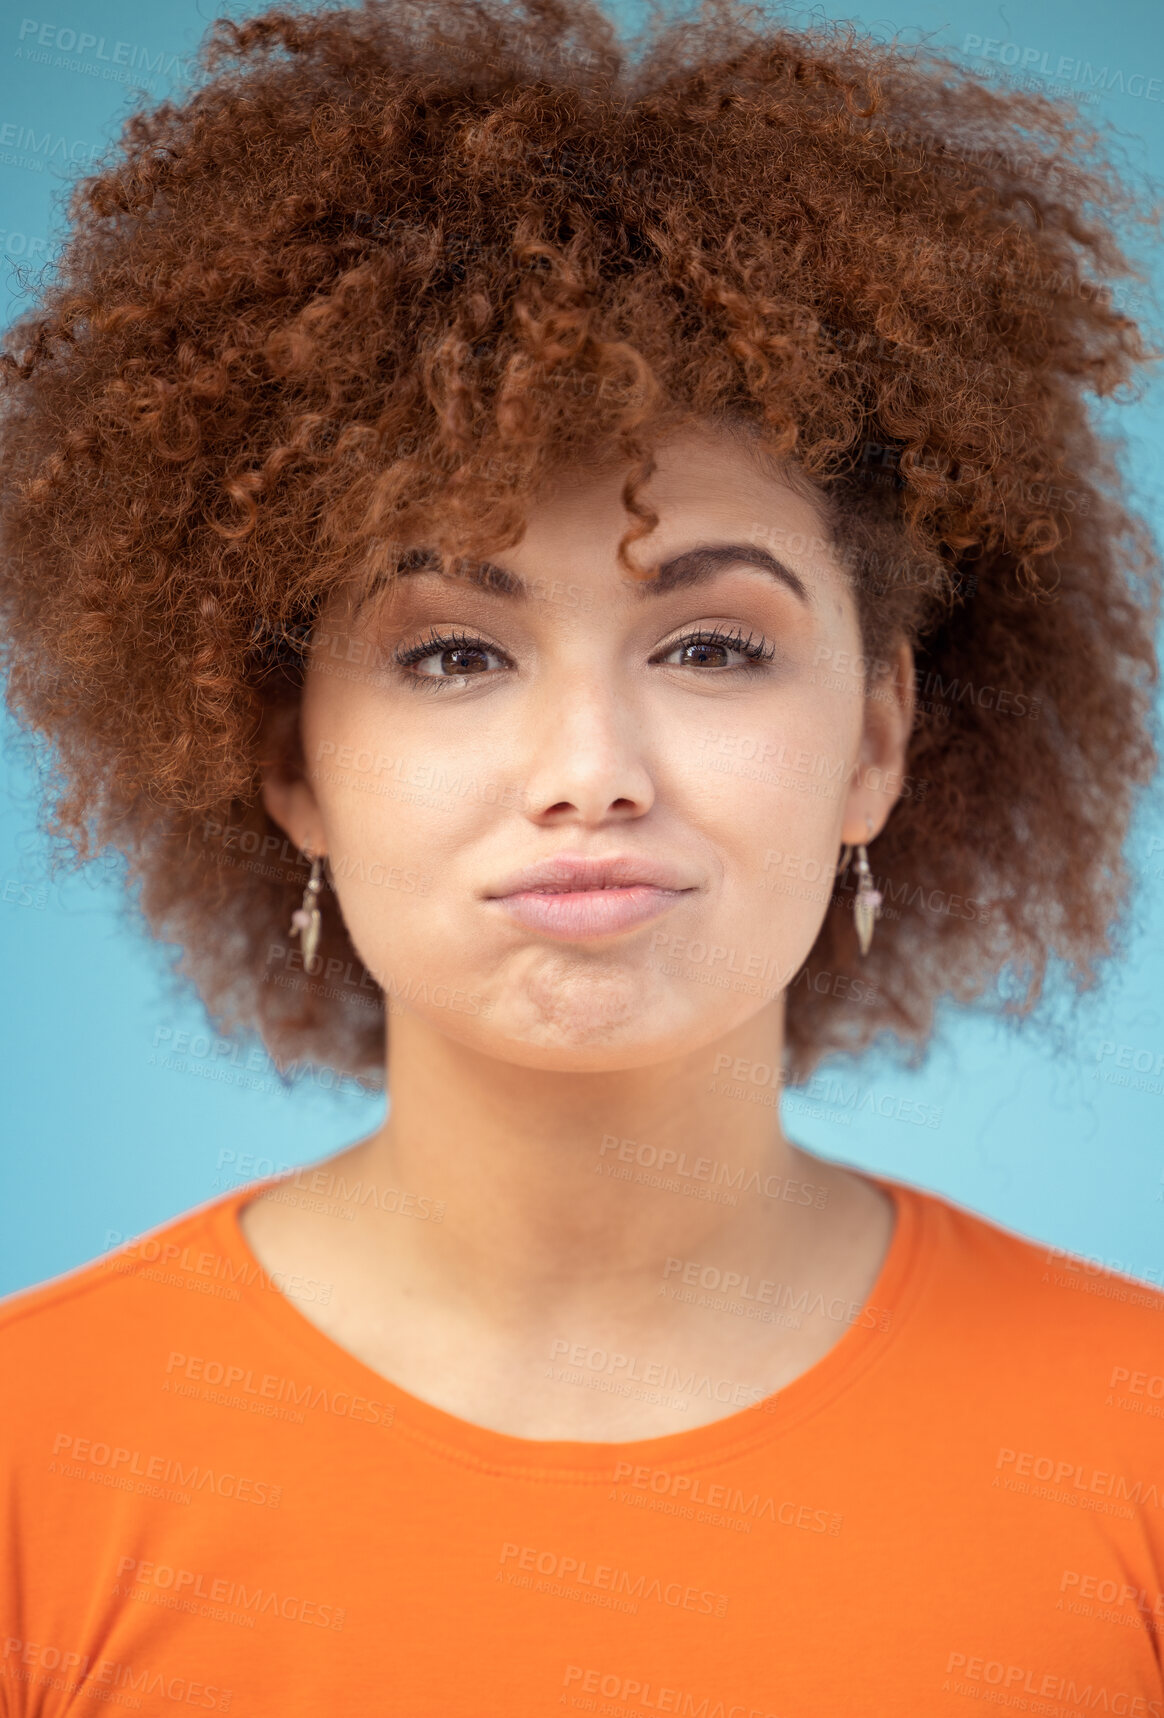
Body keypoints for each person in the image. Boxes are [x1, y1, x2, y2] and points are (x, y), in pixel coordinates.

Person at [1, 0, 1161, 1708]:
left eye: (711, 646)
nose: (590, 773)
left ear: (878, 737)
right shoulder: (37, 1460)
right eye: (452, 651)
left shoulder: (1133, 1443)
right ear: (282, 757)